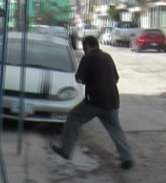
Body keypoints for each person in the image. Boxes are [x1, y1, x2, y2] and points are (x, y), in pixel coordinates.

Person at [51, 35, 134, 169]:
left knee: (73, 118)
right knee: (115, 129)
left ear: (87, 47)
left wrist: (89, 80)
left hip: (94, 101)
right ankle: (127, 158)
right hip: (112, 101)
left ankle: (66, 150)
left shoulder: (87, 59)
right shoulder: (107, 57)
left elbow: (79, 79)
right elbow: (116, 78)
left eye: (84, 48)